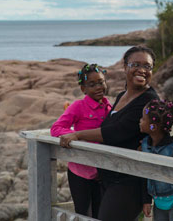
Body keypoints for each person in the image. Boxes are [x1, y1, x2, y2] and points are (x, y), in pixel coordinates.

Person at [60, 46, 159, 221]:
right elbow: (109, 126)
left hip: (129, 179)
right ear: (125, 66)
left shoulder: (149, 100)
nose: (142, 70)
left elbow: (116, 132)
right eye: (136, 64)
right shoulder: (122, 95)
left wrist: (77, 135)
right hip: (108, 176)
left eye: (148, 66)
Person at [50, 63, 112, 217]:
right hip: (80, 172)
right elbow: (56, 128)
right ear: (83, 89)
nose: (98, 87)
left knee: (100, 213)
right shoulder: (78, 106)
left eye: (101, 82)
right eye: (92, 84)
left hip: (103, 172)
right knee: (83, 213)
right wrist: (76, 137)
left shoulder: (109, 108)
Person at [140, 99, 173, 221]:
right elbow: (145, 173)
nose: (140, 121)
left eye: (143, 118)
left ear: (153, 126)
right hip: (158, 203)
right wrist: (146, 200)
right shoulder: (145, 145)